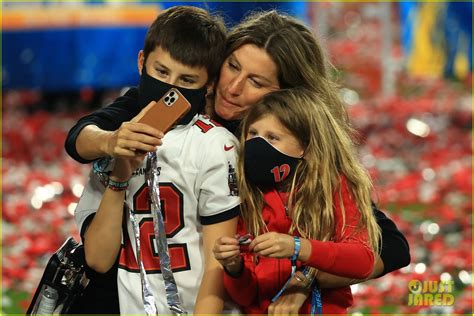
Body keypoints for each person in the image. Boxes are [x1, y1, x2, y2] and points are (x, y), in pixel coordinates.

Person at [65, 10, 410, 314]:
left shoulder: (287, 144)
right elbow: (82, 135)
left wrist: (304, 277)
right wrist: (110, 141)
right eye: (232, 67)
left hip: (225, 296)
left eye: (256, 82)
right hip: (134, 286)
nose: (233, 87)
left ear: (286, 96)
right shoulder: (177, 102)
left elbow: (389, 246)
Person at [72, 6, 241, 314]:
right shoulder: (120, 132)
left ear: (209, 86)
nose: (169, 89)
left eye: (187, 80)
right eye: (161, 72)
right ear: (141, 62)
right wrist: (119, 170)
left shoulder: (216, 144)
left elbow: (217, 259)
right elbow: (97, 258)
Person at [213, 88, 380, 313]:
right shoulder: (247, 194)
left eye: (273, 137)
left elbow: (363, 260)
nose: (257, 145)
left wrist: (299, 247)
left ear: (306, 147)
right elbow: (246, 296)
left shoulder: (334, 187)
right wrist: (234, 268)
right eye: (253, 134)